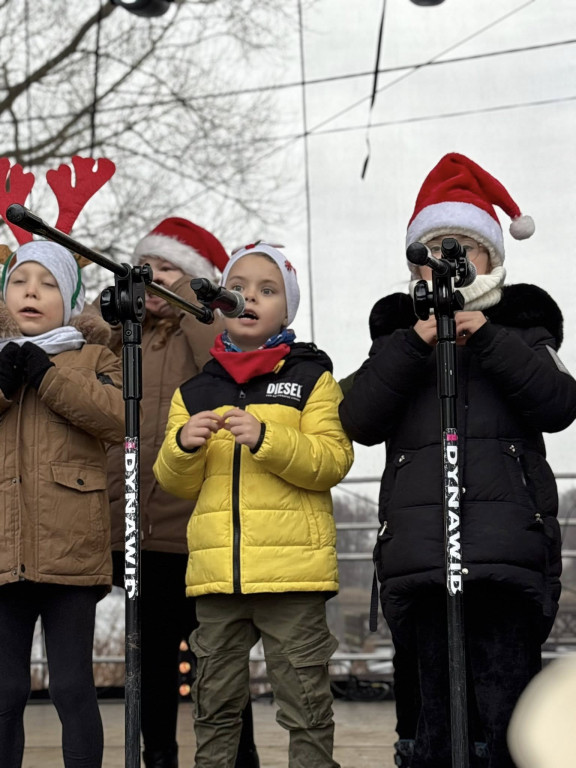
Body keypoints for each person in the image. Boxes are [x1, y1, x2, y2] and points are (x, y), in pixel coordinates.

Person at [339, 153, 576, 768]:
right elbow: (356, 418)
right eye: (432, 251)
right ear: (413, 265)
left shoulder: (523, 329)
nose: (447, 262)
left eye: (463, 249)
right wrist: (415, 344)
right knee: (430, 725)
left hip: (504, 556)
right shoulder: (398, 335)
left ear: (493, 259)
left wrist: (489, 338)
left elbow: (559, 403)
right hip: (421, 559)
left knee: (507, 719)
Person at [153, 242, 354, 768]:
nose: (249, 298)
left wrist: (269, 438)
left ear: (286, 310)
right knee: (213, 709)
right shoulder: (194, 392)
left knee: (306, 709)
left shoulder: (313, 379)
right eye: (237, 288)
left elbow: (333, 460)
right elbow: (174, 482)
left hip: (293, 579)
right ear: (219, 301)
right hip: (218, 580)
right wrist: (181, 446)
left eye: (267, 291)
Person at [105, 218, 259, 768]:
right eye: (149, 270)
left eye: (169, 270)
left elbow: (225, 359)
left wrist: (197, 299)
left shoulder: (207, 330)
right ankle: (159, 757)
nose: (154, 281)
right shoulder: (126, 336)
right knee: (149, 667)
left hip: (200, 534)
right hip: (139, 535)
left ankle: (239, 758)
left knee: (218, 664)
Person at [0, 240, 125, 768]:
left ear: (69, 297)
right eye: (20, 281)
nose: (32, 291)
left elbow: (117, 418)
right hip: (4, 554)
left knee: (72, 688)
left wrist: (47, 376)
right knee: (4, 693)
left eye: (48, 283)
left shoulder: (95, 356)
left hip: (72, 552)